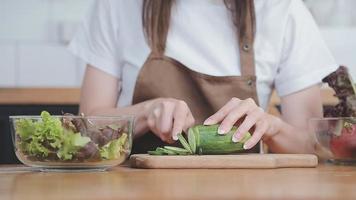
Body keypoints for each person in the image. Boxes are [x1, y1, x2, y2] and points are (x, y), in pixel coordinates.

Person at [69, 0, 337, 154]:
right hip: (135, 189)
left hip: (246, 191)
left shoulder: (283, 10)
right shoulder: (118, 6)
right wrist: (145, 112)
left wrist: (272, 128)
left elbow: (311, 148)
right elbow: (87, 130)